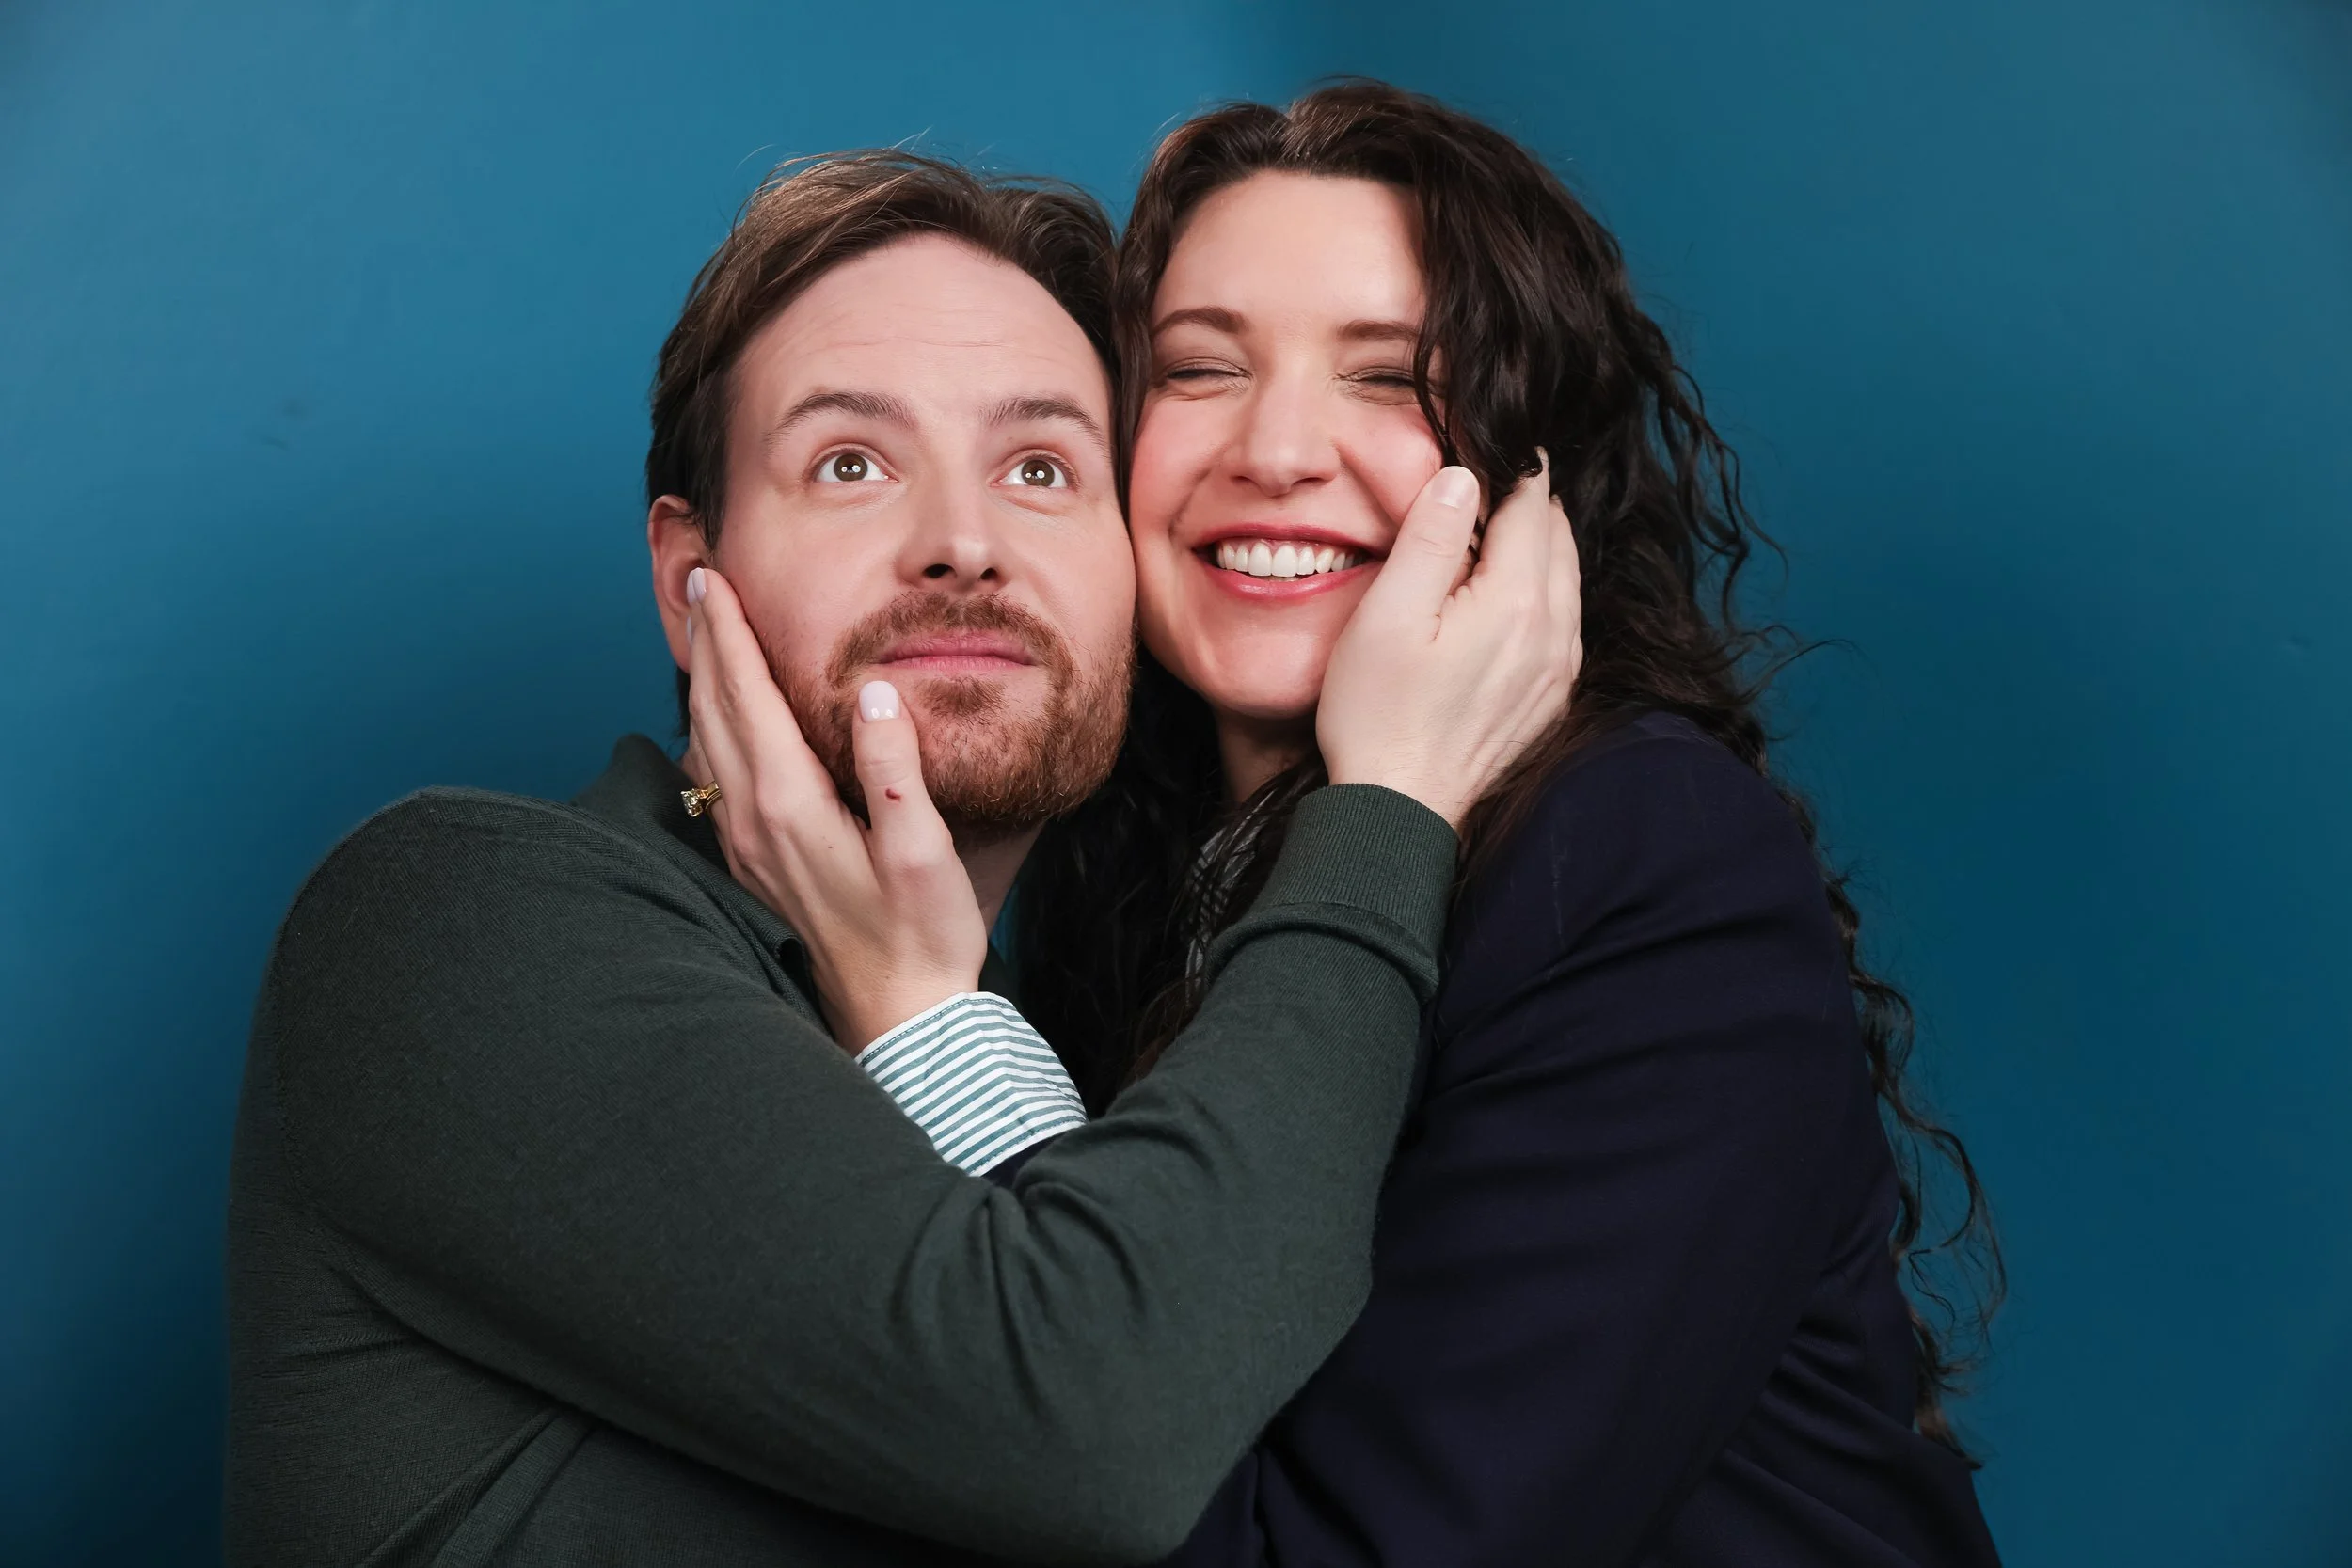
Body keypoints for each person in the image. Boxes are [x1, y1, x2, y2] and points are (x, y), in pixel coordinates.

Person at [703, 83, 2006, 1565]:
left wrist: (928, 1027)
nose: (1274, 450)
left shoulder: (1641, 856)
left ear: (1533, 482)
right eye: (1198, 370)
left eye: (1389, 378)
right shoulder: (1139, 871)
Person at [223, 151, 1579, 1565]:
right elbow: (1104, 1418)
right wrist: (1393, 802)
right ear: (694, 577)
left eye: (1043, 467)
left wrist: (939, 1018)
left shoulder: (1062, 1052)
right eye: (851, 463)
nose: (963, 544)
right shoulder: (456, 924)